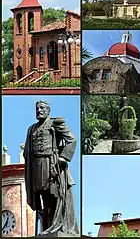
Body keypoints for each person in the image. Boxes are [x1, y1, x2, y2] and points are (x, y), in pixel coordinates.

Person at [24, 100, 79, 236]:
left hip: (51, 163)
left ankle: (55, 225)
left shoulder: (55, 123)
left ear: (48, 111)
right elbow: (27, 150)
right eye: (37, 108)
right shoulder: (32, 129)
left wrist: (64, 157)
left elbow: (72, 139)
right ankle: (47, 226)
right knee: (43, 196)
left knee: (53, 194)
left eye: (42, 108)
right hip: (37, 165)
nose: (39, 110)